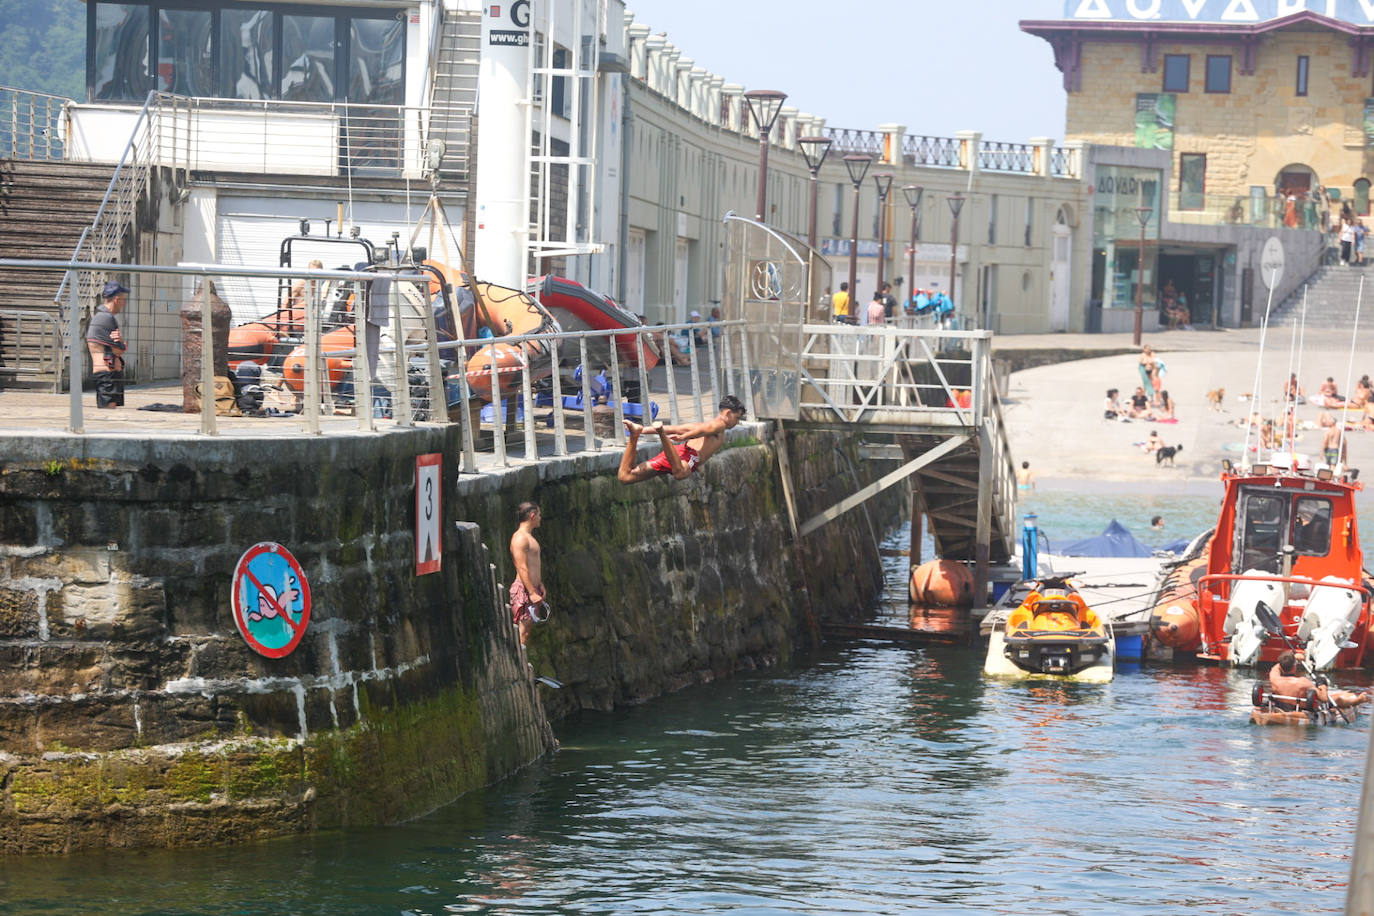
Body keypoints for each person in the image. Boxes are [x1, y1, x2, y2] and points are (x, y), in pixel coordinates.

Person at [617, 395, 747, 483]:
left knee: (625, 477)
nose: (737, 422)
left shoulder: (707, 425)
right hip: (689, 456)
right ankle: (661, 435)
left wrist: (643, 430)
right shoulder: (720, 425)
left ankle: (634, 437)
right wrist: (682, 437)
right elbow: (699, 432)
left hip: (676, 454)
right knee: (681, 473)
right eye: (737, 417)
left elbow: (676, 428)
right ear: (728, 414)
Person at [1268, 651, 1369, 709]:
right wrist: (1322, 685)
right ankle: (1358, 700)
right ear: (1294, 666)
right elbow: (1324, 698)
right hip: (1301, 709)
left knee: (1336, 695)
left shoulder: (1275, 679)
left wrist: (1293, 658)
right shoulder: (1303, 682)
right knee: (1337, 699)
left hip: (1281, 706)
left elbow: (1275, 668)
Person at [508, 502, 548, 646]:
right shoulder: (520, 538)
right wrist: (531, 592)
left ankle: (520, 662)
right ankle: (518, 666)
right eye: (539, 515)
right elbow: (522, 567)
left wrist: (540, 584)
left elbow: (533, 565)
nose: (540, 518)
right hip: (524, 589)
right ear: (532, 515)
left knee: (527, 630)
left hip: (533, 587)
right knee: (523, 630)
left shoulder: (529, 537)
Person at [87, 280, 129, 408]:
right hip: (107, 375)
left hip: (108, 374)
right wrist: (122, 343)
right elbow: (118, 350)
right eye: (123, 300)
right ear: (116, 299)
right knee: (108, 411)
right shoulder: (106, 318)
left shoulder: (102, 316)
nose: (124, 304)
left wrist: (121, 343)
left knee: (110, 411)